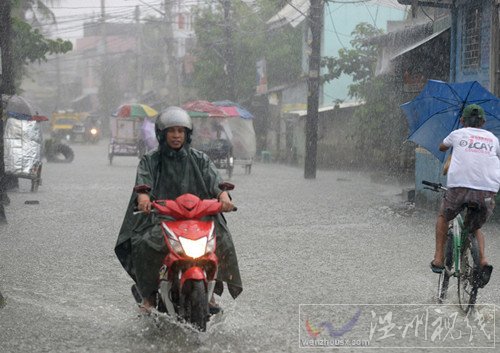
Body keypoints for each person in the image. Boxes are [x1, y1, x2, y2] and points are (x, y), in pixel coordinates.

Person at [114, 106, 242, 312]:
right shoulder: (150, 160)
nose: (176, 136)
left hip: (197, 217)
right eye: (171, 131)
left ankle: (210, 290)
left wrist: (223, 196)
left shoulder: (200, 159)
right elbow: (143, 183)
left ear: (187, 134)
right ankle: (148, 295)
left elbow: (215, 181)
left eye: (180, 131)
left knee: (222, 236)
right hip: (160, 217)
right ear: (162, 134)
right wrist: (144, 198)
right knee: (144, 243)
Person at [430, 104, 500, 286]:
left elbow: (441, 147)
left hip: (459, 187)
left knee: (444, 217)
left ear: (462, 121)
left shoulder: (457, 133)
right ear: (483, 122)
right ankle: (483, 260)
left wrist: (456, 144)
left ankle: (438, 258)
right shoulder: (493, 138)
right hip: (487, 190)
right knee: (475, 228)